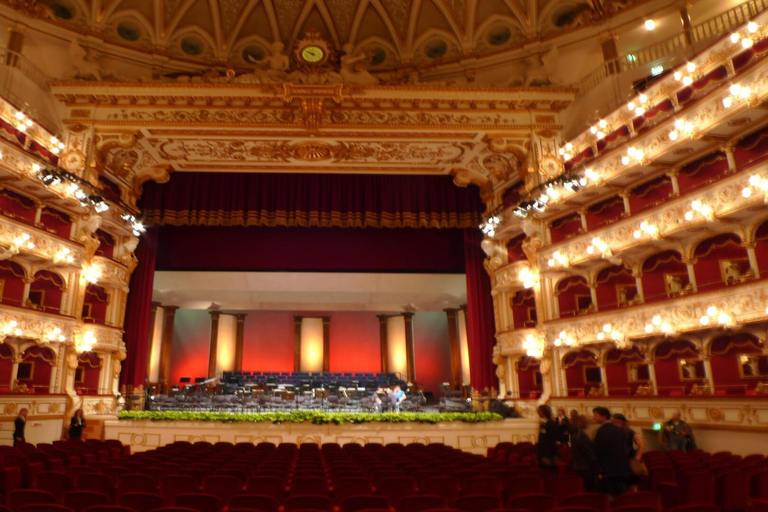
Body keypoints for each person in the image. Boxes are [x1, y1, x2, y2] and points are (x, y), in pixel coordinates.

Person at [592, 407, 631, 496]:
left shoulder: (602, 430)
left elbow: (600, 451)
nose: (593, 418)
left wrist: (601, 470)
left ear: (604, 416)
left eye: (595, 415)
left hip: (609, 469)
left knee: (609, 495)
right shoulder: (618, 430)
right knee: (620, 494)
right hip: (620, 468)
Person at [612, 413, 645, 490]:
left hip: (629, 458)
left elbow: (641, 444)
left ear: (622, 423)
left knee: (632, 482)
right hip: (617, 459)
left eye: (617, 422)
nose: (615, 424)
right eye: (614, 422)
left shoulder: (630, 432)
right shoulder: (613, 432)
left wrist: (638, 455)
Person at [569, 414, 599, 492]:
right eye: (585, 421)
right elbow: (588, 453)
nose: (587, 423)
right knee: (590, 490)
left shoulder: (578, 434)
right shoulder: (581, 435)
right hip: (585, 467)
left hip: (580, 466)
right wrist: (596, 466)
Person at [537, 404, 559, 471]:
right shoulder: (543, 424)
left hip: (548, 456)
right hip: (543, 455)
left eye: (539, 411)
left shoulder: (551, 424)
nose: (538, 413)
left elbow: (551, 441)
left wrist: (546, 456)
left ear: (544, 412)